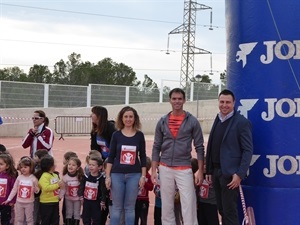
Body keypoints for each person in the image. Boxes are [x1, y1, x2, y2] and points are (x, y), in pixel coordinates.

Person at [151, 87, 205, 225]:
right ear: (170, 100)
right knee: (167, 205)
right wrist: (153, 171)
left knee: (189, 204)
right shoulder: (162, 121)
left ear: (184, 100)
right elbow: (156, 146)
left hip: (184, 167)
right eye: (174, 99)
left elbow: (199, 147)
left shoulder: (192, 121)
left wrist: (199, 171)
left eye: (180, 99)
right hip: (165, 167)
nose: (177, 101)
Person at [205, 89, 253, 225]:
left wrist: (239, 174)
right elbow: (212, 144)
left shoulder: (242, 122)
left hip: (230, 175)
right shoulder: (218, 118)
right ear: (218, 102)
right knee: (221, 210)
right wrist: (209, 170)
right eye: (222, 102)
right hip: (215, 172)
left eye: (228, 102)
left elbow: (248, 150)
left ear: (234, 103)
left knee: (229, 211)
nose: (224, 105)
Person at [105, 106, 147, 225]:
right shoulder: (116, 135)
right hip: (117, 174)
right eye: (126, 117)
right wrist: (108, 176)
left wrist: (143, 176)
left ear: (135, 118)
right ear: (121, 118)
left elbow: (143, 156)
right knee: (117, 208)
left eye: (131, 117)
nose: (128, 119)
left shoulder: (139, 135)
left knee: (129, 208)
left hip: (134, 175)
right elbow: (111, 156)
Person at [3, 156, 40, 225]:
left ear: (30, 168)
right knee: (20, 219)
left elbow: (37, 191)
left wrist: (36, 190)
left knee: (29, 219)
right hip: (19, 202)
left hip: (29, 203)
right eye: (21, 167)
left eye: (25, 167)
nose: (23, 169)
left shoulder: (33, 179)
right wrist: (9, 199)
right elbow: (14, 189)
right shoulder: (19, 178)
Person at [78, 156, 107, 225]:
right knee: (85, 217)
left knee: (96, 218)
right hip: (86, 201)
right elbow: (82, 186)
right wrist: (81, 196)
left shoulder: (101, 178)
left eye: (93, 165)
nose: (90, 167)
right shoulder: (86, 176)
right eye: (89, 165)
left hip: (96, 202)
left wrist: (103, 201)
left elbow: (103, 190)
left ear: (99, 167)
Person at [191, 158, 219, 225]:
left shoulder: (214, 176)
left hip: (212, 203)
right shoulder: (199, 176)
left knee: (212, 221)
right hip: (201, 203)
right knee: (201, 221)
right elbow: (197, 189)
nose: (205, 166)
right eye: (203, 164)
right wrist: (196, 202)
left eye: (206, 164)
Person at [38, 155, 63, 225]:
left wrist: (61, 185)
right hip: (46, 203)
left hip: (55, 201)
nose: (55, 165)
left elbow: (59, 185)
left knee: (55, 219)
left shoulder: (55, 175)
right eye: (53, 164)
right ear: (50, 166)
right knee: (46, 219)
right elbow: (46, 188)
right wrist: (57, 185)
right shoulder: (44, 176)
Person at [60, 157, 84, 225]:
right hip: (68, 199)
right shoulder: (65, 177)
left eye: (73, 165)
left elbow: (82, 188)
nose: (70, 166)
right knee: (68, 213)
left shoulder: (80, 177)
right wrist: (60, 196)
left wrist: (82, 198)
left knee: (76, 213)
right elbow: (63, 188)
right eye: (69, 164)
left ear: (78, 167)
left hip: (77, 199)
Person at [134, 156, 154, 225]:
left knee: (143, 219)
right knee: (134, 219)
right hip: (135, 200)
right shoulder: (136, 174)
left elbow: (151, 187)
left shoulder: (148, 176)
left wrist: (144, 183)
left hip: (144, 201)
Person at [0, 153, 18, 225]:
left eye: (1, 164)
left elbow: (14, 189)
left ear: (7, 166)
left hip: (5, 203)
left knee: (5, 220)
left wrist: (12, 201)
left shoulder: (10, 177)